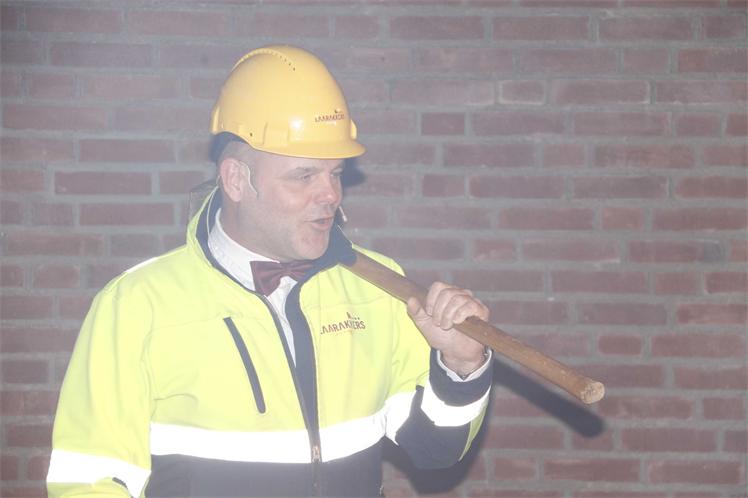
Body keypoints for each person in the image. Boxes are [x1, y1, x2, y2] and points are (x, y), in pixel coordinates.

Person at [47, 45, 493, 498]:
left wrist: (460, 365)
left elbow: (435, 450)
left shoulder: (379, 286)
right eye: (304, 176)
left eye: (335, 174)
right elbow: (89, 482)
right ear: (236, 180)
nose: (330, 195)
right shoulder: (137, 305)